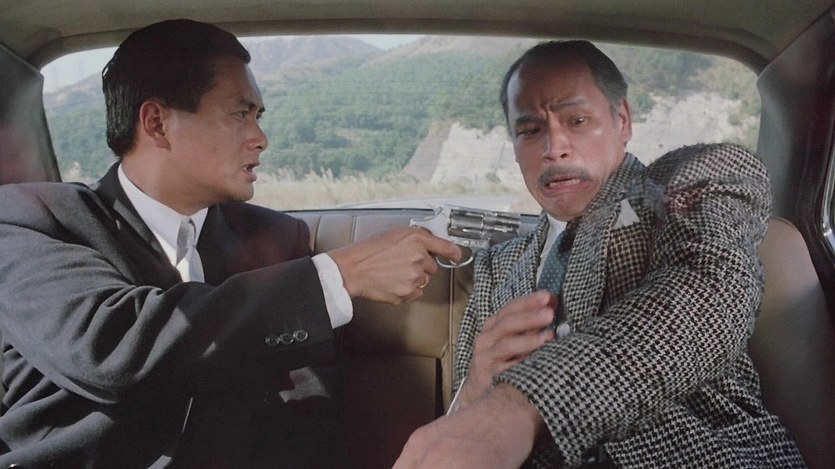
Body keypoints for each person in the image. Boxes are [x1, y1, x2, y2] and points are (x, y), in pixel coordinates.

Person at [0, 19, 460, 468]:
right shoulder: (34, 220)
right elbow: (110, 348)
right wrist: (341, 275)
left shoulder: (276, 237)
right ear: (157, 123)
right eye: (241, 114)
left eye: (258, 117)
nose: (261, 139)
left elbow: (308, 404)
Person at [395, 40, 806, 468]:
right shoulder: (497, 268)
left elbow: (709, 290)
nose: (555, 147)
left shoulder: (680, 185)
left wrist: (521, 404)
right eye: (530, 130)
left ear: (622, 120)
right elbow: (464, 431)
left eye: (577, 121)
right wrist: (474, 391)